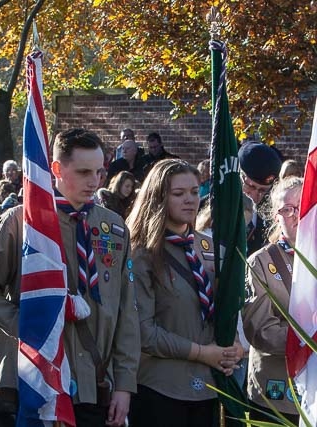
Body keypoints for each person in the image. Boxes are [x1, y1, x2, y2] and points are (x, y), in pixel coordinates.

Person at [0, 128, 140, 427]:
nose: (94, 181)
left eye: (100, 172)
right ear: (56, 169)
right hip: (35, 381)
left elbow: (126, 310)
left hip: (94, 384)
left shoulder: (113, 228)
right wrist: (34, 326)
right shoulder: (22, 223)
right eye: (83, 171)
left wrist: (125, 384)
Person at [126, 159, 243, 427]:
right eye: (178, 194)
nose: (190, 200)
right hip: (160, 389)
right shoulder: (141, 254)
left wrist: (232, 347)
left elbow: (225, 310)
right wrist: (202, 352)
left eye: (194, 191)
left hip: (209, 387)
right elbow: (144, 332)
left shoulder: (211, 247)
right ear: (158, 198)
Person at [241, 176, 302, 425]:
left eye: (303, 206)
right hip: (278, 391)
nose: (297, 214)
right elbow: (260, 330)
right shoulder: (262, 262)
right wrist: (305, 340)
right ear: (276, 216)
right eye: (288, 209)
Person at [238, 141, 283, 254]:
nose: (256, 195)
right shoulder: (214, 205)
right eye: (251, 186)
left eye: (263, 190)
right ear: (239, 176)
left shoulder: (271, 215)